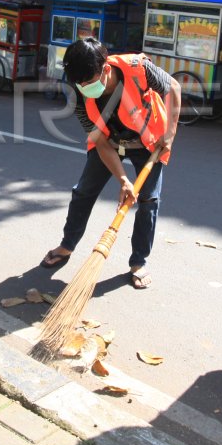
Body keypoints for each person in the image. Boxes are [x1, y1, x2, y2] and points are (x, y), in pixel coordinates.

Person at [40, 38, 181, 290]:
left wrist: (169, 134)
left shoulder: (139, 68)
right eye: (79, 83)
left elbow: (174, 89)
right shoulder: (81, 93)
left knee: (148, 201)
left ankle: (139, 262)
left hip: (149, 141)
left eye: (88, 82)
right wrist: (123, 180)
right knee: (83, 192)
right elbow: (99, 140)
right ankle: (67, 245)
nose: (84, 88)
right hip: (110, 140)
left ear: (105, 69)